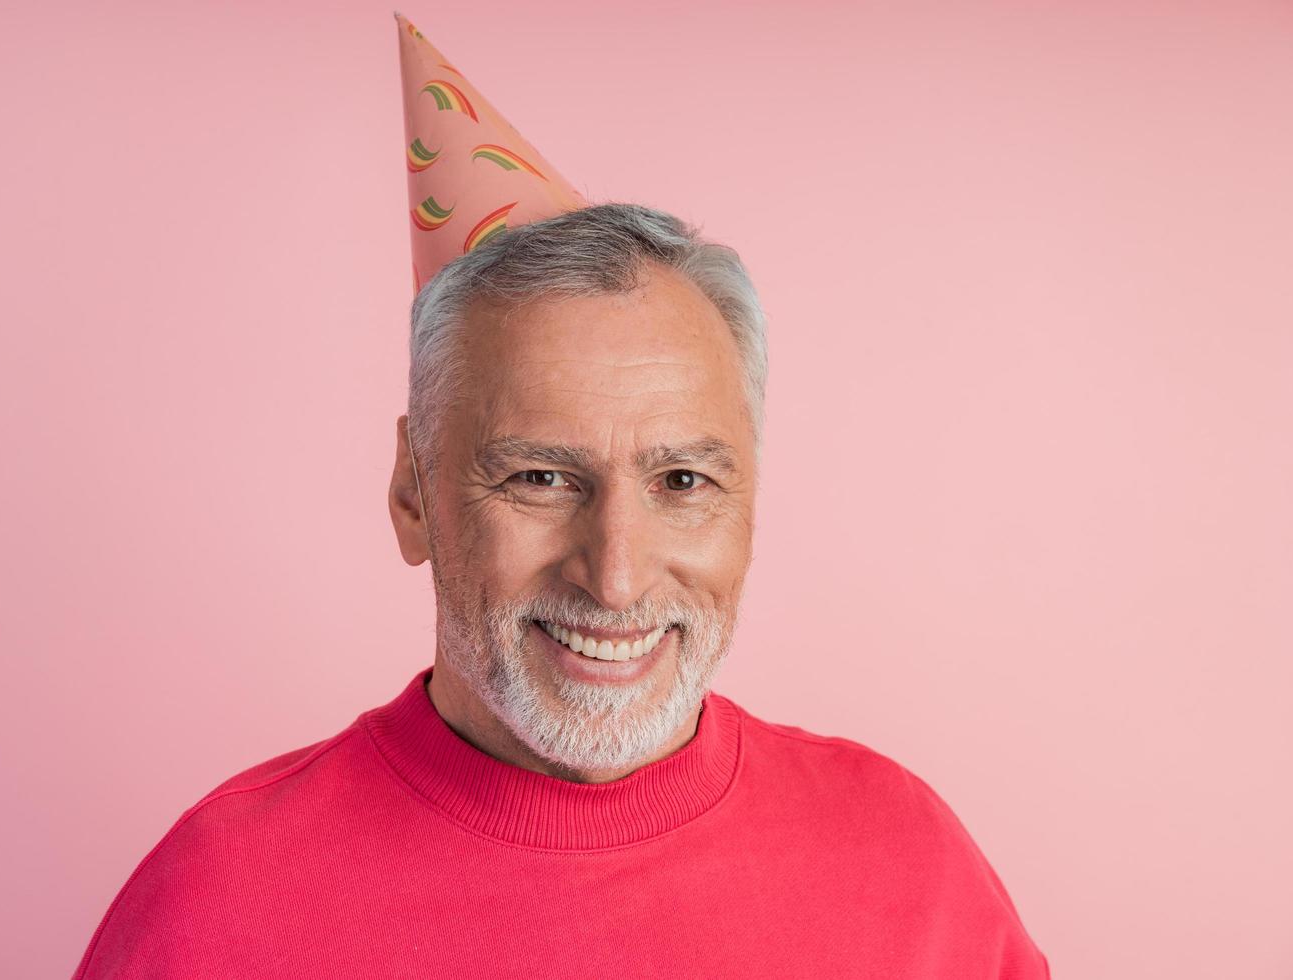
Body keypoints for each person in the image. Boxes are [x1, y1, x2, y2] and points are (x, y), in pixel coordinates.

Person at [73, 16, 1049, 979]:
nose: (616, 576)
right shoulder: (218, 907)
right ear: (414, 491)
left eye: (681, 481)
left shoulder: (912, 868)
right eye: (541, 477)